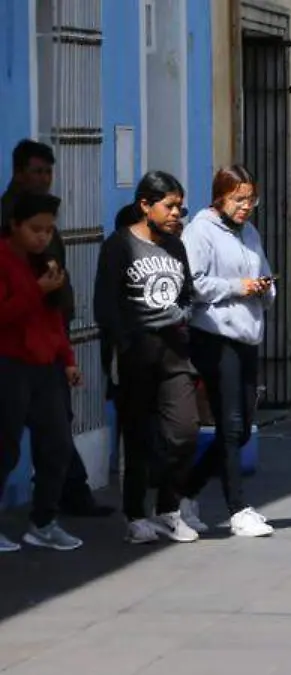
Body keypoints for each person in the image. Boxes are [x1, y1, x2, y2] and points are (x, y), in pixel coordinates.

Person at [1, 139, 113, 517]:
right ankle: (66, 495)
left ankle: (57, 505)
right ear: (19, 173)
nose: (45, 179)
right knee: (13, 441)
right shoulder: (11, 223)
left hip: (48, 342)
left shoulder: (44, 216)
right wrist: (41, 291)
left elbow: (49, 299)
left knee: (56, 433)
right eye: (37, 171)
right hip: (15, 352)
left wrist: (64, 351)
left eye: (48, 172)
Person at [94, 171, 201, 544]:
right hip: (136, 354)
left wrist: (182, 314)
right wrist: (122, 346)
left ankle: (170, 509)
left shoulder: (176, 246)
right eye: (169, 206)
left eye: (180, 207)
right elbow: (105, 306)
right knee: (138, 437)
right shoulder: (119, 246)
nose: (177, 214)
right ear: (145, 205)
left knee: (185, 431)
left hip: (174, 352)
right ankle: (136, 515)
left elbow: (187, 292)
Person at [178, 165, 276, 538]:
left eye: (251, 199)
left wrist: (265, 288)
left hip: (248, 333)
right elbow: (195, 282)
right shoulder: (200, 231)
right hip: (216, 336)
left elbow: (262, 270)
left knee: (242, 430)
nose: (246, 206)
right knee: (231, 424)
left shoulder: (249, 232)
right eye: (239, 199)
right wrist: (238, 286)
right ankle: (238, 508)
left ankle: (185, 490)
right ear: (220, 197)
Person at [0, 193, 84, 552]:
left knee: (58, 444)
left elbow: (53, 317)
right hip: (9, 364)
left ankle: (44, 521)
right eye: (36, 229)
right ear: (16, 225)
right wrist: (36, 290)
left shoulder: (45, 263)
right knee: (4, 448)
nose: (43, 237)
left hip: (45, 366)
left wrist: (67, 358)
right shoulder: (4, 260)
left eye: (49, 230)